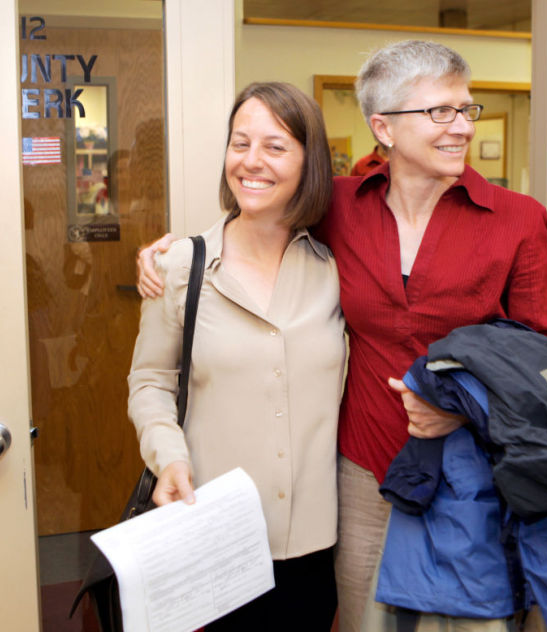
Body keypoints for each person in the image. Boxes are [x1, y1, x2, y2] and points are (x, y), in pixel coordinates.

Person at [137, 41, 547, 632]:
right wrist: (169, 254)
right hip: (363, 479)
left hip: (474, 477)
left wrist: (465, 409)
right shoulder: (342, 209)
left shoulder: (517, 219)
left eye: (466, 110)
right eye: (440, 112)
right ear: (383, 128)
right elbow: (256, 214)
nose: (461, 127)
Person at [127, 82, 346, 631]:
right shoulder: (181, 266)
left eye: (275, 147)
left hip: (314, 544)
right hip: (215, 535)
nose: (251, 162)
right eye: (239, 143)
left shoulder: (336, 267)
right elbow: (151, 380)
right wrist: (167, 458)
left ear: (308, 161)